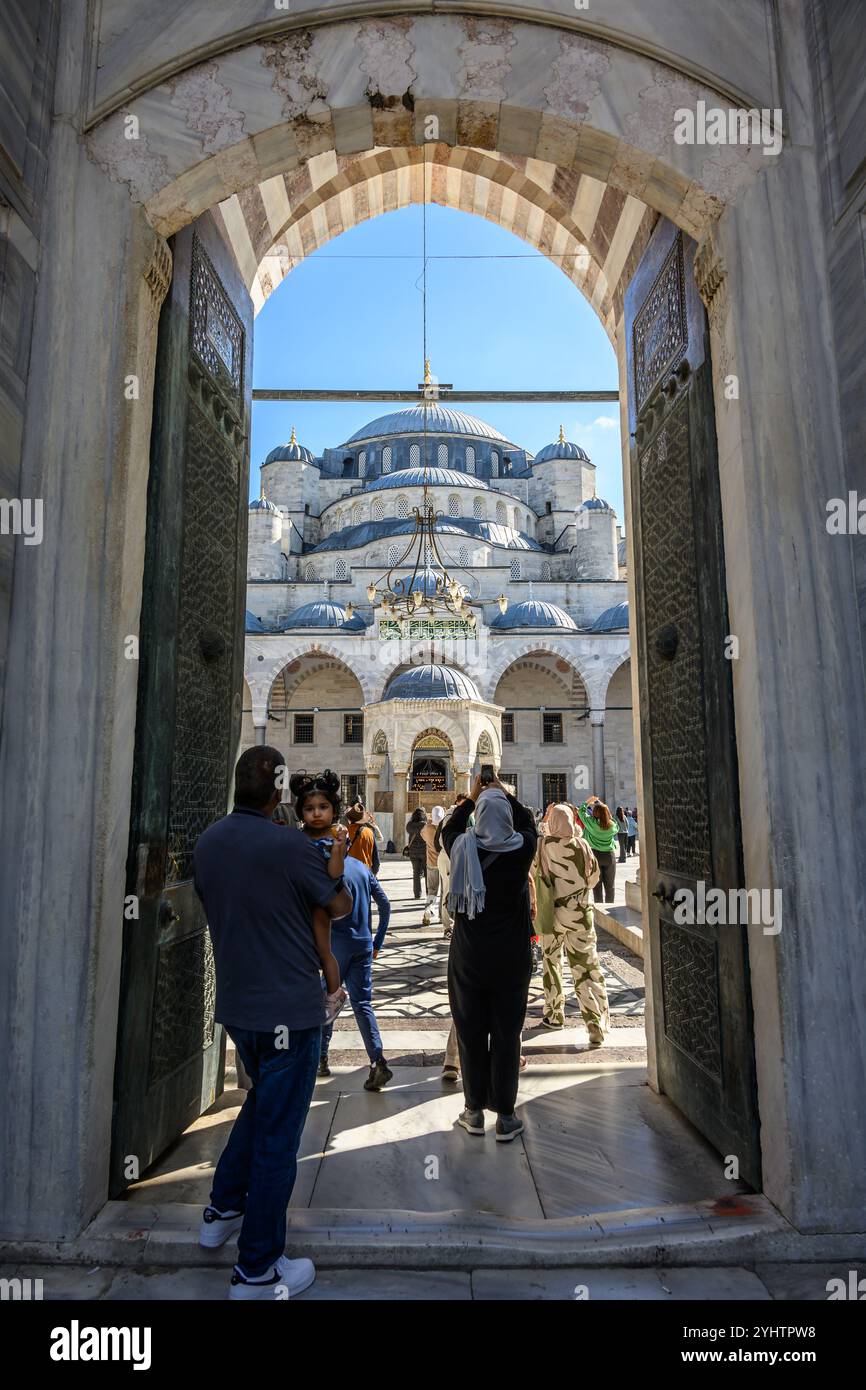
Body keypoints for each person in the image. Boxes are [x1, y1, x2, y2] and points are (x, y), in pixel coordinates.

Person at [193, 746, 352, 1300]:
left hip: (239, 1007)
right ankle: (257, 1268)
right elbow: (339, 908)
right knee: (280, 1137)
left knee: (263, 1104)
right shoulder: (290, 847)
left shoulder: (209, 843)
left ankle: (221, 1208)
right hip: (289, 1009)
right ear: (280, 791)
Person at [443, 773, 537, 1141]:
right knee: (506, 1034)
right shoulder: (522, 849)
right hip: (511, 958)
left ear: (478, 816)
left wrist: (473, 796)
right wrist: (500, 791)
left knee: (470, 1031)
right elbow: (528, 820)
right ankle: (507, 1117)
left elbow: (448, 827)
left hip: (469, 957)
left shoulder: (462, 846)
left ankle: (473, 1111)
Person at [291, 771, 393, 1092]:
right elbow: (386, 904)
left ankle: (321, 1058)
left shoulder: (322, 864)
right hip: (363, 943)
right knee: (363, 1003)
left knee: (327, 998)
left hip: (335, 943)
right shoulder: (362, 868)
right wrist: (377, 941)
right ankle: (378, 1061)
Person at [534, 804, 609, 1045]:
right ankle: (594, 1022)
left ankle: (554, 1014)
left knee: (551, 964)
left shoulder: (543, 845)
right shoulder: (583, 845)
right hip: (579, 916)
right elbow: (594, 877)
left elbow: (534, 874)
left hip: (551, 915)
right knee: (586, 967)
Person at [576, 796, 618, 903]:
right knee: (610, 886)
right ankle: (610, 908)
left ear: (594, 813)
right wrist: (604, 808)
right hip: (609, 856)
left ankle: (599, 909)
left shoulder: (591, 823)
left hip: (595, 855)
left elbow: (581, 811)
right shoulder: (612, 826)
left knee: (596, 885)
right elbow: (613, 821)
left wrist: (589, 801)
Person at [420, 805, 445, 925]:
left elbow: (422, 835)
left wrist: (429, 822)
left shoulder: (427, 828)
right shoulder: (445, 828)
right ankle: (442, 915)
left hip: (431, 862)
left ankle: (428, 911)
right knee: (445, 891)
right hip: (444, 862)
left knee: (432, 890)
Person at [346, 800, 377, 871]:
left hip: (349, 872)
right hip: (366, 871)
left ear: (350, 819)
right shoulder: (370, 832)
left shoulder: (344, 832)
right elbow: (375, 860)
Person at [405, 807, 428, 899]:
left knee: (416, 873)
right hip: (424, 851)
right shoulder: (425, 825)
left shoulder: (409, 825)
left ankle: (417, 894)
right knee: (427, 873)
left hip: (413, 852)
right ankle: (428, 892)